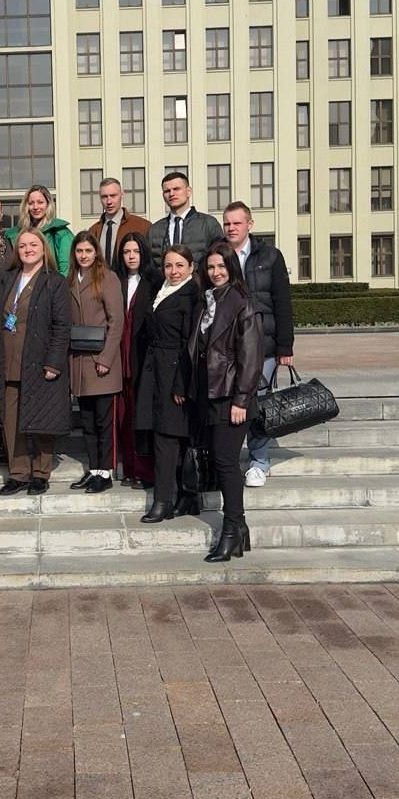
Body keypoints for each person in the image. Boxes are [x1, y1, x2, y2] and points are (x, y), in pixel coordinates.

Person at [187, 241, 264, 563]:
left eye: (221, 266)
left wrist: (241, 400)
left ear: (231, 267)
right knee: (222, 461)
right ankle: (239, 528)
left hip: (232, 396)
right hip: (210, 393)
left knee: (226, 463)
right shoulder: (207, 301)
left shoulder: (242, 303)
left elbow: (251, 357)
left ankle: (231, 529)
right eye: (211, 267)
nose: (216, 272)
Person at [222, 201, 295, 488]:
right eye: (227, 223)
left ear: (249, 225)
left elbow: (282, 302)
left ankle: (259, 461)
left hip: (263, 344)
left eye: (236, 223)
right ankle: (228, 458)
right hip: (229, 346)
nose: (231, 228)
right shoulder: (219, 254)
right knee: (232, 402)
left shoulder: (270, 255)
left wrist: (285, 347)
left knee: (259, 404)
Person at [0, 229, 71, 495]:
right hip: (8, 360)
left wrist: (54, 362)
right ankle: (18, 473)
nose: (28, 249)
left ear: (43, 248)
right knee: (11, 419)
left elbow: (62, 326)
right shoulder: (7, 279)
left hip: (40, 361)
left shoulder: (54, 281)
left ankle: (40, 472)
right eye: (23, 245)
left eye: (33, 244)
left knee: (42, 417)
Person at [135, 246, 200, 522]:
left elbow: (190, 343)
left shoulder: (191, 295)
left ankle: (163, 501)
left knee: (166, 438)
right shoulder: (163, 289)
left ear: (191, 267)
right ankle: (187, 497)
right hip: (156, 371)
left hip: (175, 373)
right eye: (169, 265)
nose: (174, 271)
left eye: (180, 265)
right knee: (169, 437)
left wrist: (181, 384)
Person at [68, 232, 124, 494]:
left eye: (88, 251)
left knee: (104, 423)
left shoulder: (107, 278)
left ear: (96, 252)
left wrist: (106, 358)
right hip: (79, 362)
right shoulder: (70, 279)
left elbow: (116, 321)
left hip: (101, 362)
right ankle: (93, 469)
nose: (84, 256)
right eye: (79, 251)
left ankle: (105, 471)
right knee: (88, 423)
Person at [114, 232, 155, 490]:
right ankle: (128, 468)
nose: (131, 256)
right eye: (127, 252)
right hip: (119, 358)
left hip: (142, 359)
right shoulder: (114, 280)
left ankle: (145, 471)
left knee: (142, 417)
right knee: (124, 417)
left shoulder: (154, 282)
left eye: (136, 252)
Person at [147, 172, 222, 274]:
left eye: (176, 189)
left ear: (188, 191)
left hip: (199, 283)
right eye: (167, 191)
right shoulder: (155, 230)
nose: (172, 194)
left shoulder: (208, 224)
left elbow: (221, 259)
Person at [5, 185, 73, 276]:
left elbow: (67, 269)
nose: (35, 207)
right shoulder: (14, 234)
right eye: (31, 203)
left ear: (48, 204)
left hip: (52, 282)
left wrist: (55, 284)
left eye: (40, 202)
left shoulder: (61, 233)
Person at [88, 177, 151, 271]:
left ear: (122, 195)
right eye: (104, 197)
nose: (109, 201)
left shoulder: (142, 226)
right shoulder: (94, 231)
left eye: (113, 196)